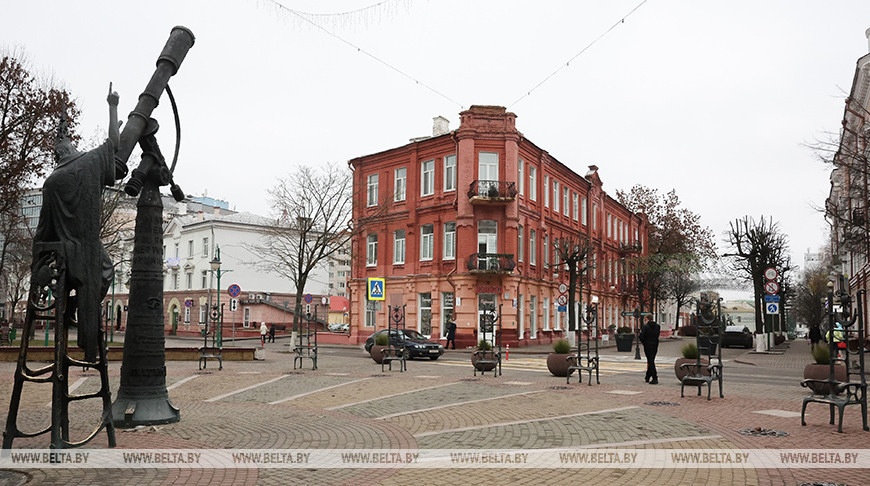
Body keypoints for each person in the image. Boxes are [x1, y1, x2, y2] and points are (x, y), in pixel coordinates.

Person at [32, 85, 126, 362]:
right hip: (88, 253)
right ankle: (79, 311)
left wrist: (37, 262)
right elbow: (115, 143)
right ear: (71, 149)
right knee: (106, 271)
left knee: (96, 273)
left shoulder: (50, 183)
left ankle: (72, 304)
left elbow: (43, 229)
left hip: (61, 260)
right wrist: (112, 106)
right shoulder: (87, 162)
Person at [639, 314, 660, 384]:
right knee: (651, 360)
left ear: (647, 319)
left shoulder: (645, 327)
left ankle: (655, 377)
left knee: (650, 361)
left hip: (648, 345)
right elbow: (657, 335)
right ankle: (647, 376)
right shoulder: (657, 326)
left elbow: (642, 337)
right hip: (655, 345)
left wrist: (643, 342)